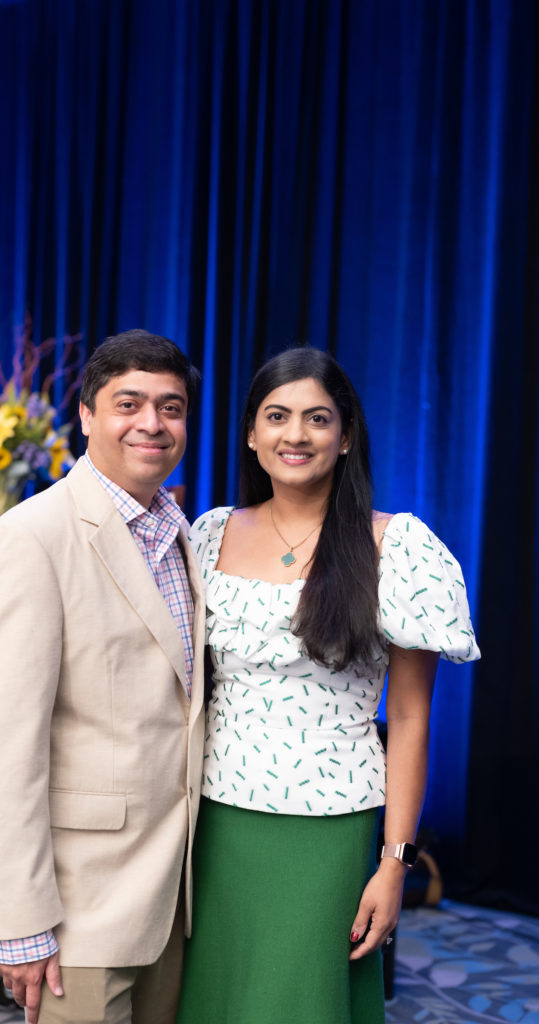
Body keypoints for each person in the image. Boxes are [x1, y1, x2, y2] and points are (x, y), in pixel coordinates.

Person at [175, 346, 480, 1024]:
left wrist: (394, 861)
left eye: (317, 418)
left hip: (328, 824)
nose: (296, 434)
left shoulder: (396, 547)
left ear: (345, 437)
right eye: (276, 416)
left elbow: (407, 720)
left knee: (299, 1005)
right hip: (212, 818)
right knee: (216, 999)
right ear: (251, 433)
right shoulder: (207, 534)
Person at [0, 329, 205, 1024]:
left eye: (171, 406)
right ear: (86, 415)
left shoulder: (183, 534)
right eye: (128, 403)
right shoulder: (32, 537)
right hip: (77, 912)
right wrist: (20, 921)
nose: (151, 423)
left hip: (173, 898)